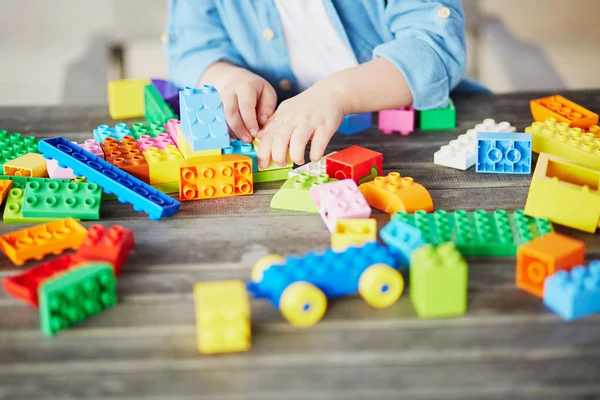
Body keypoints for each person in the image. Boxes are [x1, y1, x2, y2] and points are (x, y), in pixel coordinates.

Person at [164, 0, 485, 169]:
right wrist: (227, 77)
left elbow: (432, 48)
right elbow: (192, 49)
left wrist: (335, 94)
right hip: (288, 142)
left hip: (424, 136)